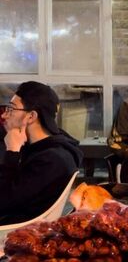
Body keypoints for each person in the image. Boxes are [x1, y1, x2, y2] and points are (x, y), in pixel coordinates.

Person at [0, 81, 83, 224]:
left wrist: (12, 152)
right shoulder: (40, 146)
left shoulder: (52, 160)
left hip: (14, 231)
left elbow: (2, 202)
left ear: (31, 116)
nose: (4, 116)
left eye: (11, 109)